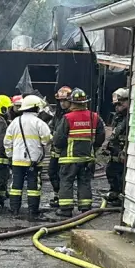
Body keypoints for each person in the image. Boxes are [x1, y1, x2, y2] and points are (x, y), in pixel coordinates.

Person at [53, 88, 106, 217]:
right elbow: (101, 136)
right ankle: (85, 208)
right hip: (88, 158)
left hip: (69, 159)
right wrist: (95, 148)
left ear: (72, 103)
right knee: (85, 182)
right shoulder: (94, 117)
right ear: (85, 102)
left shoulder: (67, 117)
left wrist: (58, 151)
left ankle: (65, 209)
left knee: (66, 182)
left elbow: (59, 139)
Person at [4, 95, 52, 220]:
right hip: (34, 161)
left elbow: (7, 141)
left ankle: (14, 209)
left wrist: (10, 155)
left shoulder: (15, 122)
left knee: (16, 185)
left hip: (17, 160)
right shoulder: (39, 123)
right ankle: (33, 210)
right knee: (33, 186)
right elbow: (47, 139)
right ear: (36, 108)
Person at [47, 86, 73, 208]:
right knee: (52, 172)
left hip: (67, 150)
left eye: (65, 101)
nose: (62, 103)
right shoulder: (58, 115)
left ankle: (63, 198)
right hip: (55, 150)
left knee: (64, 175)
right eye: (60, 101)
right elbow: (51, 127)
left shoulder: (72, 115)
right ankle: (57, 194)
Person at [105, 87, 131, 206]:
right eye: (115, 105)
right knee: (111, 171)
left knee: (122, 175)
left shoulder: (130, 117)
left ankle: (121, 196)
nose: (117, 107)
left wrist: (125, 150)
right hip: (115, 151)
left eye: (120, 104)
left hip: (123, 151)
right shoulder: (118, 116)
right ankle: (114, 193)